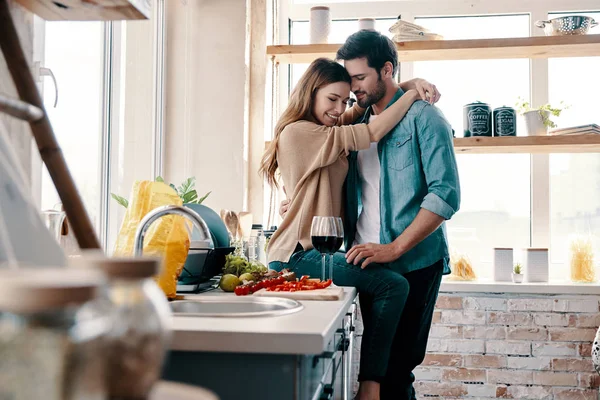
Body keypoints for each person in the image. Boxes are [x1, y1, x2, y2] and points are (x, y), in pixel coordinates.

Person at [260, 57, 440, 400]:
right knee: (392, 287)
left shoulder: (325, 130)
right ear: (310, 92)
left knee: (389, 287)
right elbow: (372, 129)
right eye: (332, 100)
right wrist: (412, 96)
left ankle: (371, 385)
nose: (338, 108)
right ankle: (369, 388)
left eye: (344, 101)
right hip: (298, 256)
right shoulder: (300, 132)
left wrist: (406, 83)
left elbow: (364, 109)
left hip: (317, 251)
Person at [336, 30, 461, 400]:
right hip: (366, 260)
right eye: (350, 78)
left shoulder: (426, 119)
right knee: (375, 370)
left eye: (360, 77)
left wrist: (393, 248)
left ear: (386, 69)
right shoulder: (357, 125)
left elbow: (446, 194)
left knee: (396, 370)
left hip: (415, 262)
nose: (353, 87)